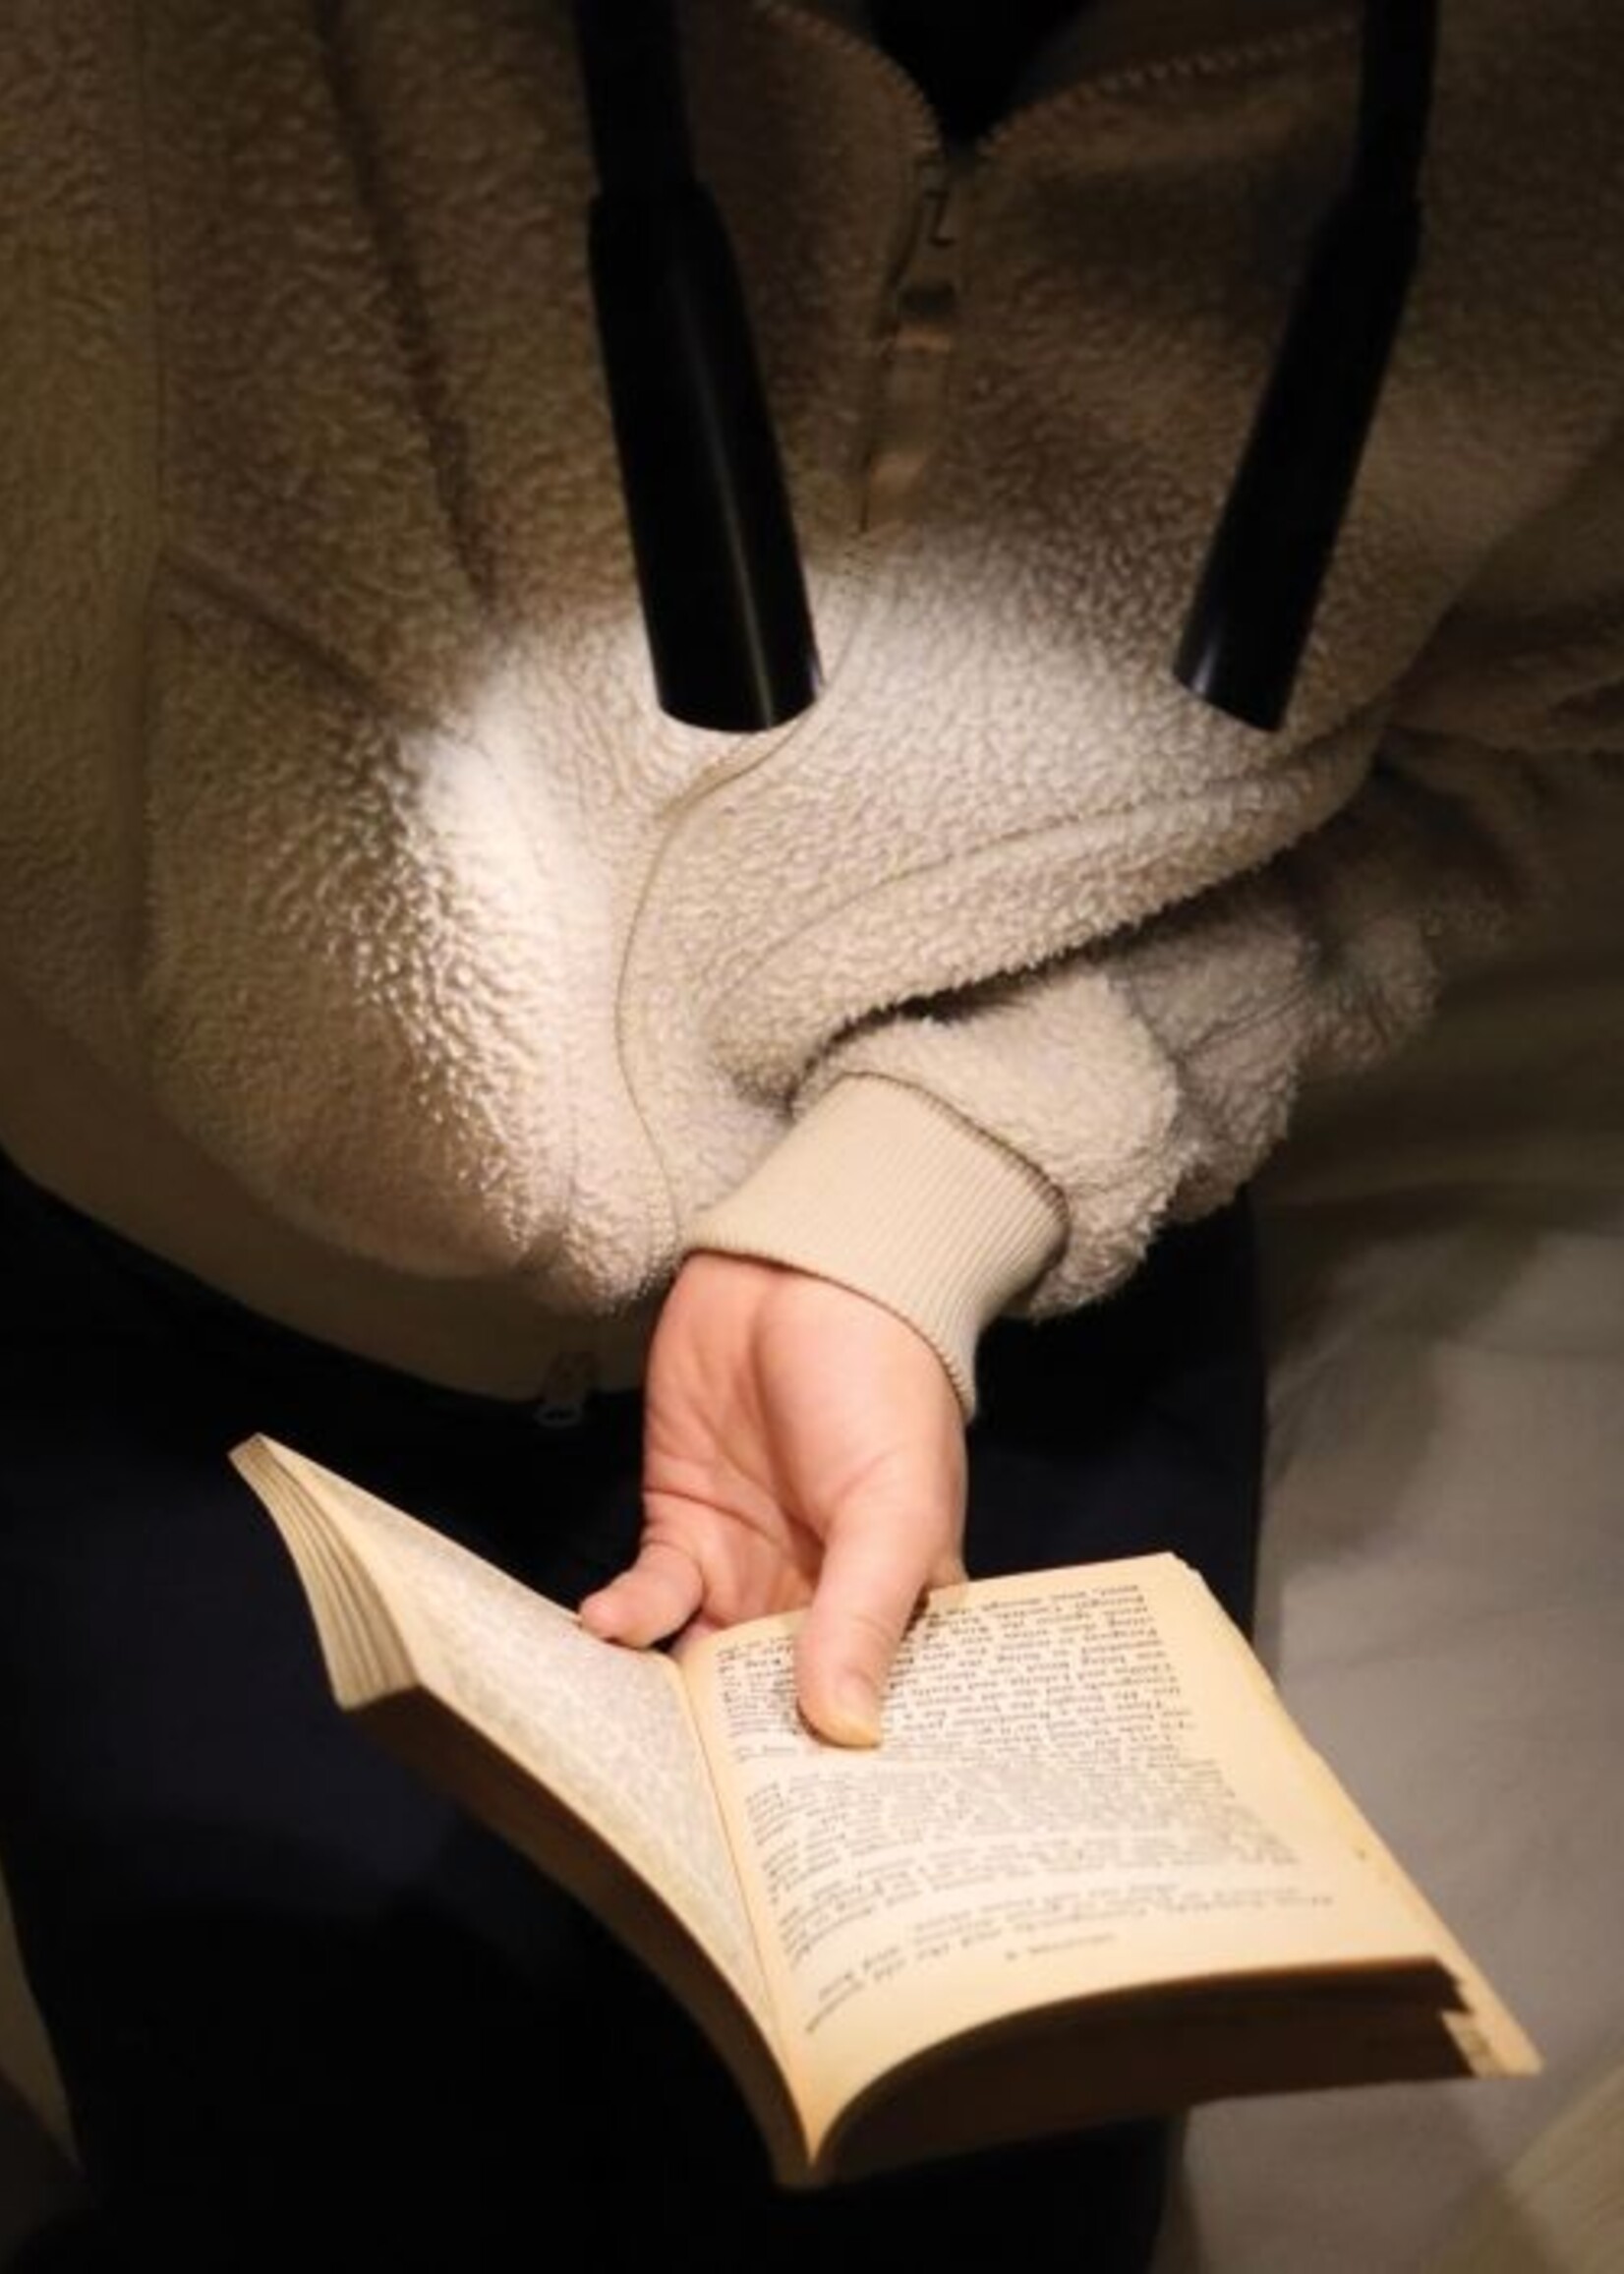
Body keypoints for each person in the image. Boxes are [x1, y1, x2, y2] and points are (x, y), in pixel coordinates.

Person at [0, 1, 1618, 2267]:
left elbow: (1510, 733)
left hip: (1016, 1249)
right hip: (195, 1273)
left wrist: (931, 1179)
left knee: (968, 2196)